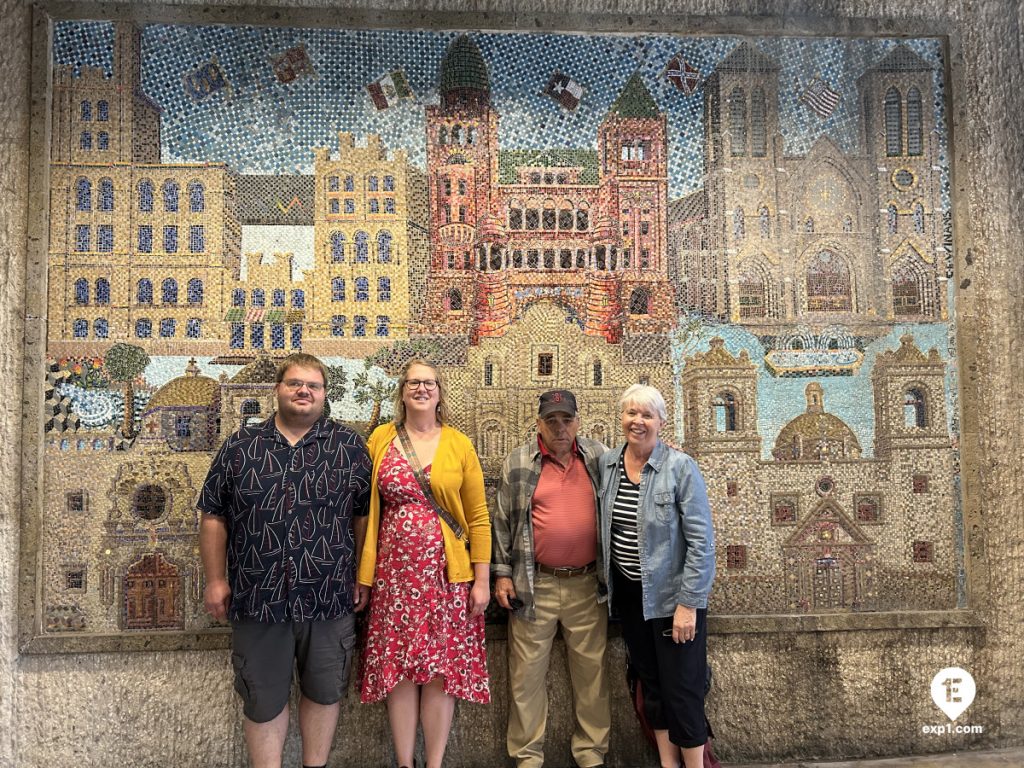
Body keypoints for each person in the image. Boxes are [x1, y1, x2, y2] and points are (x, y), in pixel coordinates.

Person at [198, 352, 372, 768]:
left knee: (325, 690)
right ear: (278, 389)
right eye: (295, 383)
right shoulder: (240, 447)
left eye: (313, 385)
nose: (303, 391)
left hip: (328, 597)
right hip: (258, 598)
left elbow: (363, 516)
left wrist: (361, 575)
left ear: (324, 395)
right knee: (262, 697)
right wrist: (215, 579)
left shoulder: (349, 447)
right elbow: (213, 515)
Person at [358, 358, 491, 768]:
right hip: (393, 576)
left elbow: (479, 516)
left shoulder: (458, 443)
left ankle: (433, 762)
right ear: (402, 391)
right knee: (397, 667)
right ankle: (404, 762)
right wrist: (361, 576)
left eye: (429, 382)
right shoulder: (380, 438)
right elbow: (362, 507)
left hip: (447, 576)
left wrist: (481, 579)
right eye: (413, 382)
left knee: (439, 670)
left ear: (439, 392)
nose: (421, 388)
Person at [598, 384, 716, 768]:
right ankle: (668, 764)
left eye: (647, 415)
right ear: (621, 418)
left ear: (662, 422)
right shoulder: (608, 465)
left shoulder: (680, 468)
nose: (638, 421)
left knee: (683, 690)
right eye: (631, 413)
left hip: (672, 600)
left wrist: (688, 606)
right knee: (651, 685)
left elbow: (702, 543)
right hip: (631, 598)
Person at [493, 389, 611, 768]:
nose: (560, 428)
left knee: (592, 674)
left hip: (587, 584)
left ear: (578, 422)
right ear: (539, 423)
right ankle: (527, 756)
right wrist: (502, 575)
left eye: (567, 420)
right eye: (552, 420)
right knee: (526, 678)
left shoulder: (600, 458)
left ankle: (591, 753)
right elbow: (501, 524)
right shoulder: (518, 462)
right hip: (534, 584)